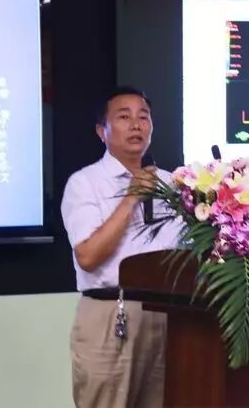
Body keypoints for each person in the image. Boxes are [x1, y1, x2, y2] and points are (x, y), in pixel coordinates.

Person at [61, 86, 183, 408]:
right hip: (111, 314)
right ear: (102, 131)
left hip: (167, 317)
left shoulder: (173, 185)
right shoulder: (85, 183)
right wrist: (132, 197)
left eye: (144, 117)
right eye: (124, 117)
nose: (136, 124)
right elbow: (88, 256)